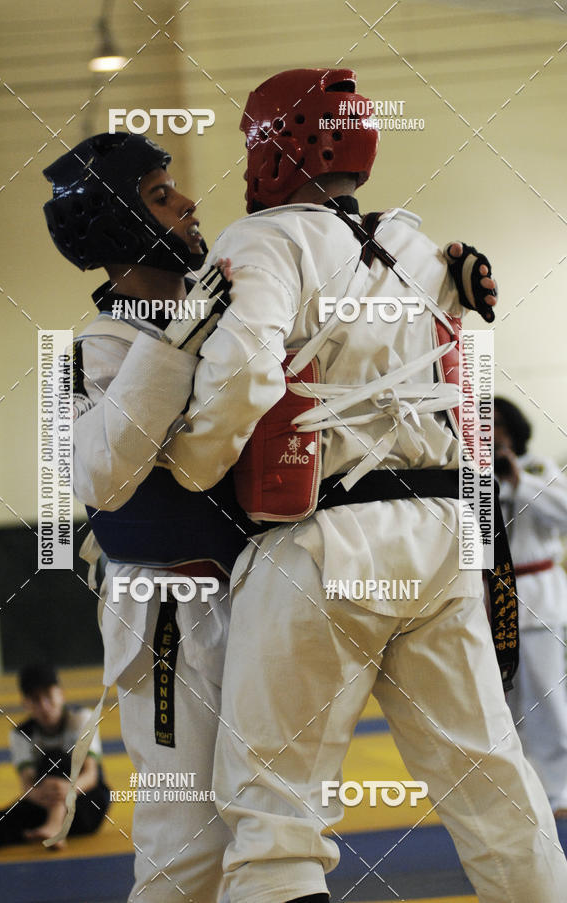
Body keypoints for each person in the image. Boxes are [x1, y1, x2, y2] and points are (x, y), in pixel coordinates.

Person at [164, 68, 567, 903]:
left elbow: (242, 372)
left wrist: (191, 464)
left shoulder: (265, 241)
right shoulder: (417, 246)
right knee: (493, 790)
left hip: (321, 544)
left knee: (274, 818)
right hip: (439, 541)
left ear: (271, 150)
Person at [42, 132, 259, 903]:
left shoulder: (237, 307)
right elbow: (97, 474)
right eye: (162, 196)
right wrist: (179, 337)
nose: (189, 203)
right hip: (167, 613)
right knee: (189, 842)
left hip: (268, 595)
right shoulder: (82, 357)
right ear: (118, 221)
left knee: (277, 828)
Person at [495, 396, 567, 818]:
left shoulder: (537, 467)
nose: (494, 433)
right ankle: (520, 791)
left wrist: (520, 481)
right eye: (485, 426)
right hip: (490, 600)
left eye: (500, 424)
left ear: (515, 428)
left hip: (537, 595)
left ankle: (559, 789)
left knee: (546, 697)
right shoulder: (470, 476)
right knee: (501, 705)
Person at [0, 664, 109, 855]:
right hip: (45, 803)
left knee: (55, 758)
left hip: (86, 805)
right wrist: (43, 795)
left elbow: (91, 776)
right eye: (35, 700)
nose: (44, 706)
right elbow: (27, 787)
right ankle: (52, 825)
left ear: (61, 694)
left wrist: (67, 790)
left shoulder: (82, 719)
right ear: (26, 703)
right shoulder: (21, 734)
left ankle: (55, 824)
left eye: (48, 696)